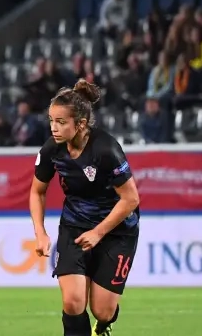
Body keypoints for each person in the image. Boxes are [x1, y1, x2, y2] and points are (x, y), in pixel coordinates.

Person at [29, 80, 141, 336]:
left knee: (102, 310)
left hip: (117, 231)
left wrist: (98, 232)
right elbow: (37, 191)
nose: (53, 128)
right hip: (75, 226)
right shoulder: (52, 149)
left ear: (80, 124)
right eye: (51, 120)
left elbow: (131, 199)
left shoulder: (106, 150)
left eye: (61, 122)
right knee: (73, 302)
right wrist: (40, 232)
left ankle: (104, 325)